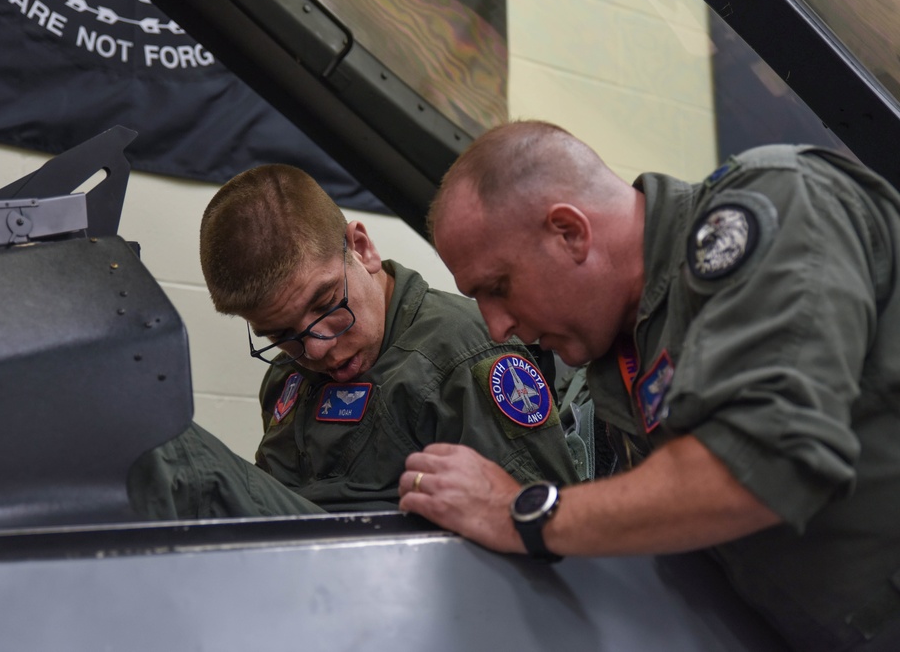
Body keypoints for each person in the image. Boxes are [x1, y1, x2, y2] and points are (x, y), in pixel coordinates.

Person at [398, 120, 900, 651]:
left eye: (498, 287)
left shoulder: (778, 205)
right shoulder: (620, 349)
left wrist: (520, 513)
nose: (496, 325)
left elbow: (764, 466)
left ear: (570, 232)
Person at [130, 163, 580, 518]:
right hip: (305, 590)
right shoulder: (290, 375)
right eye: (282, 335)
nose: (317, 349)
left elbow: (544, 517)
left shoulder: (462, 356)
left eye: (326, 305)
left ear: (361, 249)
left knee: (175, 454)